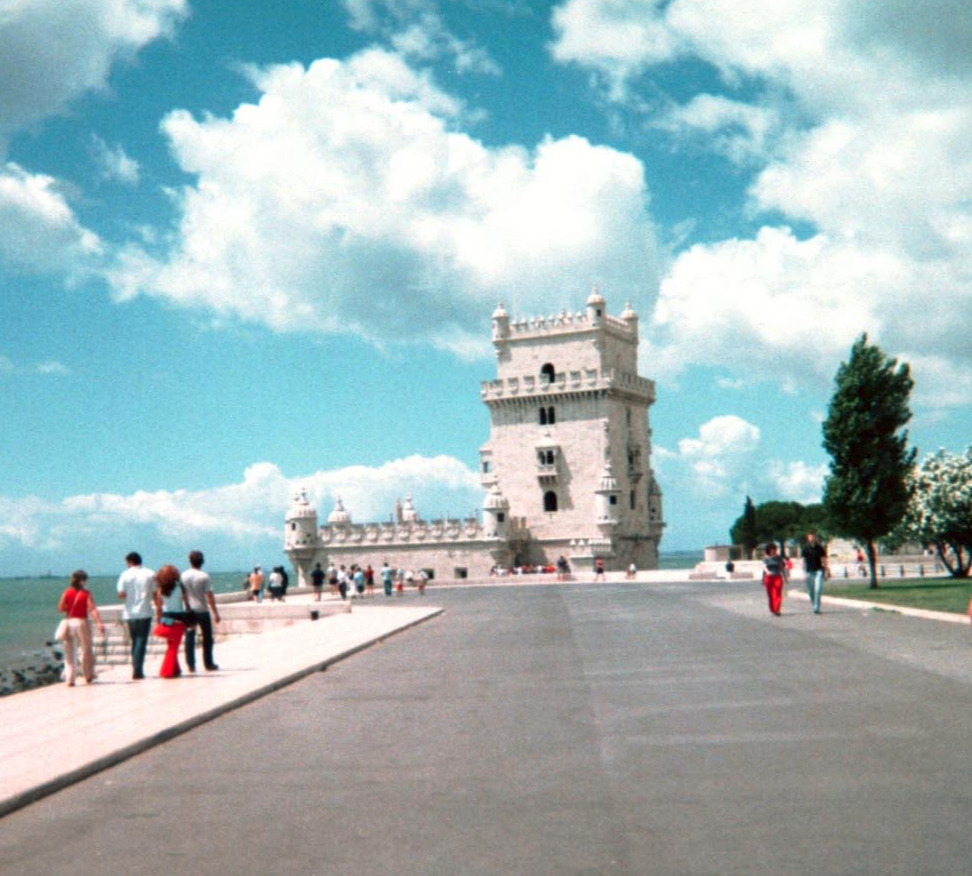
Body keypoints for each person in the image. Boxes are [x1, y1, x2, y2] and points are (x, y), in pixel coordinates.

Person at [58, 569, 105, 686]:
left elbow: (60, 608)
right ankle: (88, 674)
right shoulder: (86, 594)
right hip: (81, 621)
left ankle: (70, 678)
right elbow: (92, 609)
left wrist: (69, 608)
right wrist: (99, 622)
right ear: (82, 581)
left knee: (69, 651)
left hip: (69, 622)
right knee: (86, 648)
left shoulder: (67, 592)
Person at [117, 551, 156, 680]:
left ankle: (136, 667)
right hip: (145, 611)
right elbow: (156, 593)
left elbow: (121, 594)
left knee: (135, 640)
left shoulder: (125, 574)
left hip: (130, 613)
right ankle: (137, 670)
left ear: (130, 562)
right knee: (141, 640)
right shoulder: (150, 573)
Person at [181, 550, 220, 672]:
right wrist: (215, 612)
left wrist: (186, 606)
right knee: (207, 638)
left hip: (189, 610)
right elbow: (209, 595)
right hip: (202, 610)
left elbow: (183, 594)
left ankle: (190, 664)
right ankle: (208, 663)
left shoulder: (183, 575)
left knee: (189, 637)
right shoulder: (204, 576)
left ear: (190, 561)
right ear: (202, 561)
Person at [154, 564, 190, 678]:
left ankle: (176, 669)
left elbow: (159, 607)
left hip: (165, 619)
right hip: (178, 619)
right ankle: (166, 671)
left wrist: (158, 620)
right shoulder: (180, 587)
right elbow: (186, 603)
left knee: (170, 644)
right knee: (173, 647)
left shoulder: (160, 589)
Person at [801, 532, 829, 614]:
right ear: (808, 538)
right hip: (809, 571)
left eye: (813, 537)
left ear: (816, 538)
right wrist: (803, 573)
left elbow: (824, 560)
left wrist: (826, 571)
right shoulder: (805, 548)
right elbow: (803, 561)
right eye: (810, 537)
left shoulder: (819, 548)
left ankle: (816, 607)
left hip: (819, 570)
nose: (812, 538)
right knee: (811, 590)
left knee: (818, 589)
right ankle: (814, 604)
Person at [762, 542, 787, 616]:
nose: (772, 551)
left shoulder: (778, 558)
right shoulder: (766, 558)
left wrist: (785, 577)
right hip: (768, 577)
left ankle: (777, 609)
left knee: (777, 593)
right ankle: (772, 609)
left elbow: (781, 567)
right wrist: (767, 572)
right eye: (771, 550)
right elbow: (764, 567)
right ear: (768, 550)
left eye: (774, 549)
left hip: (777, 576)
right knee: (770, 594)